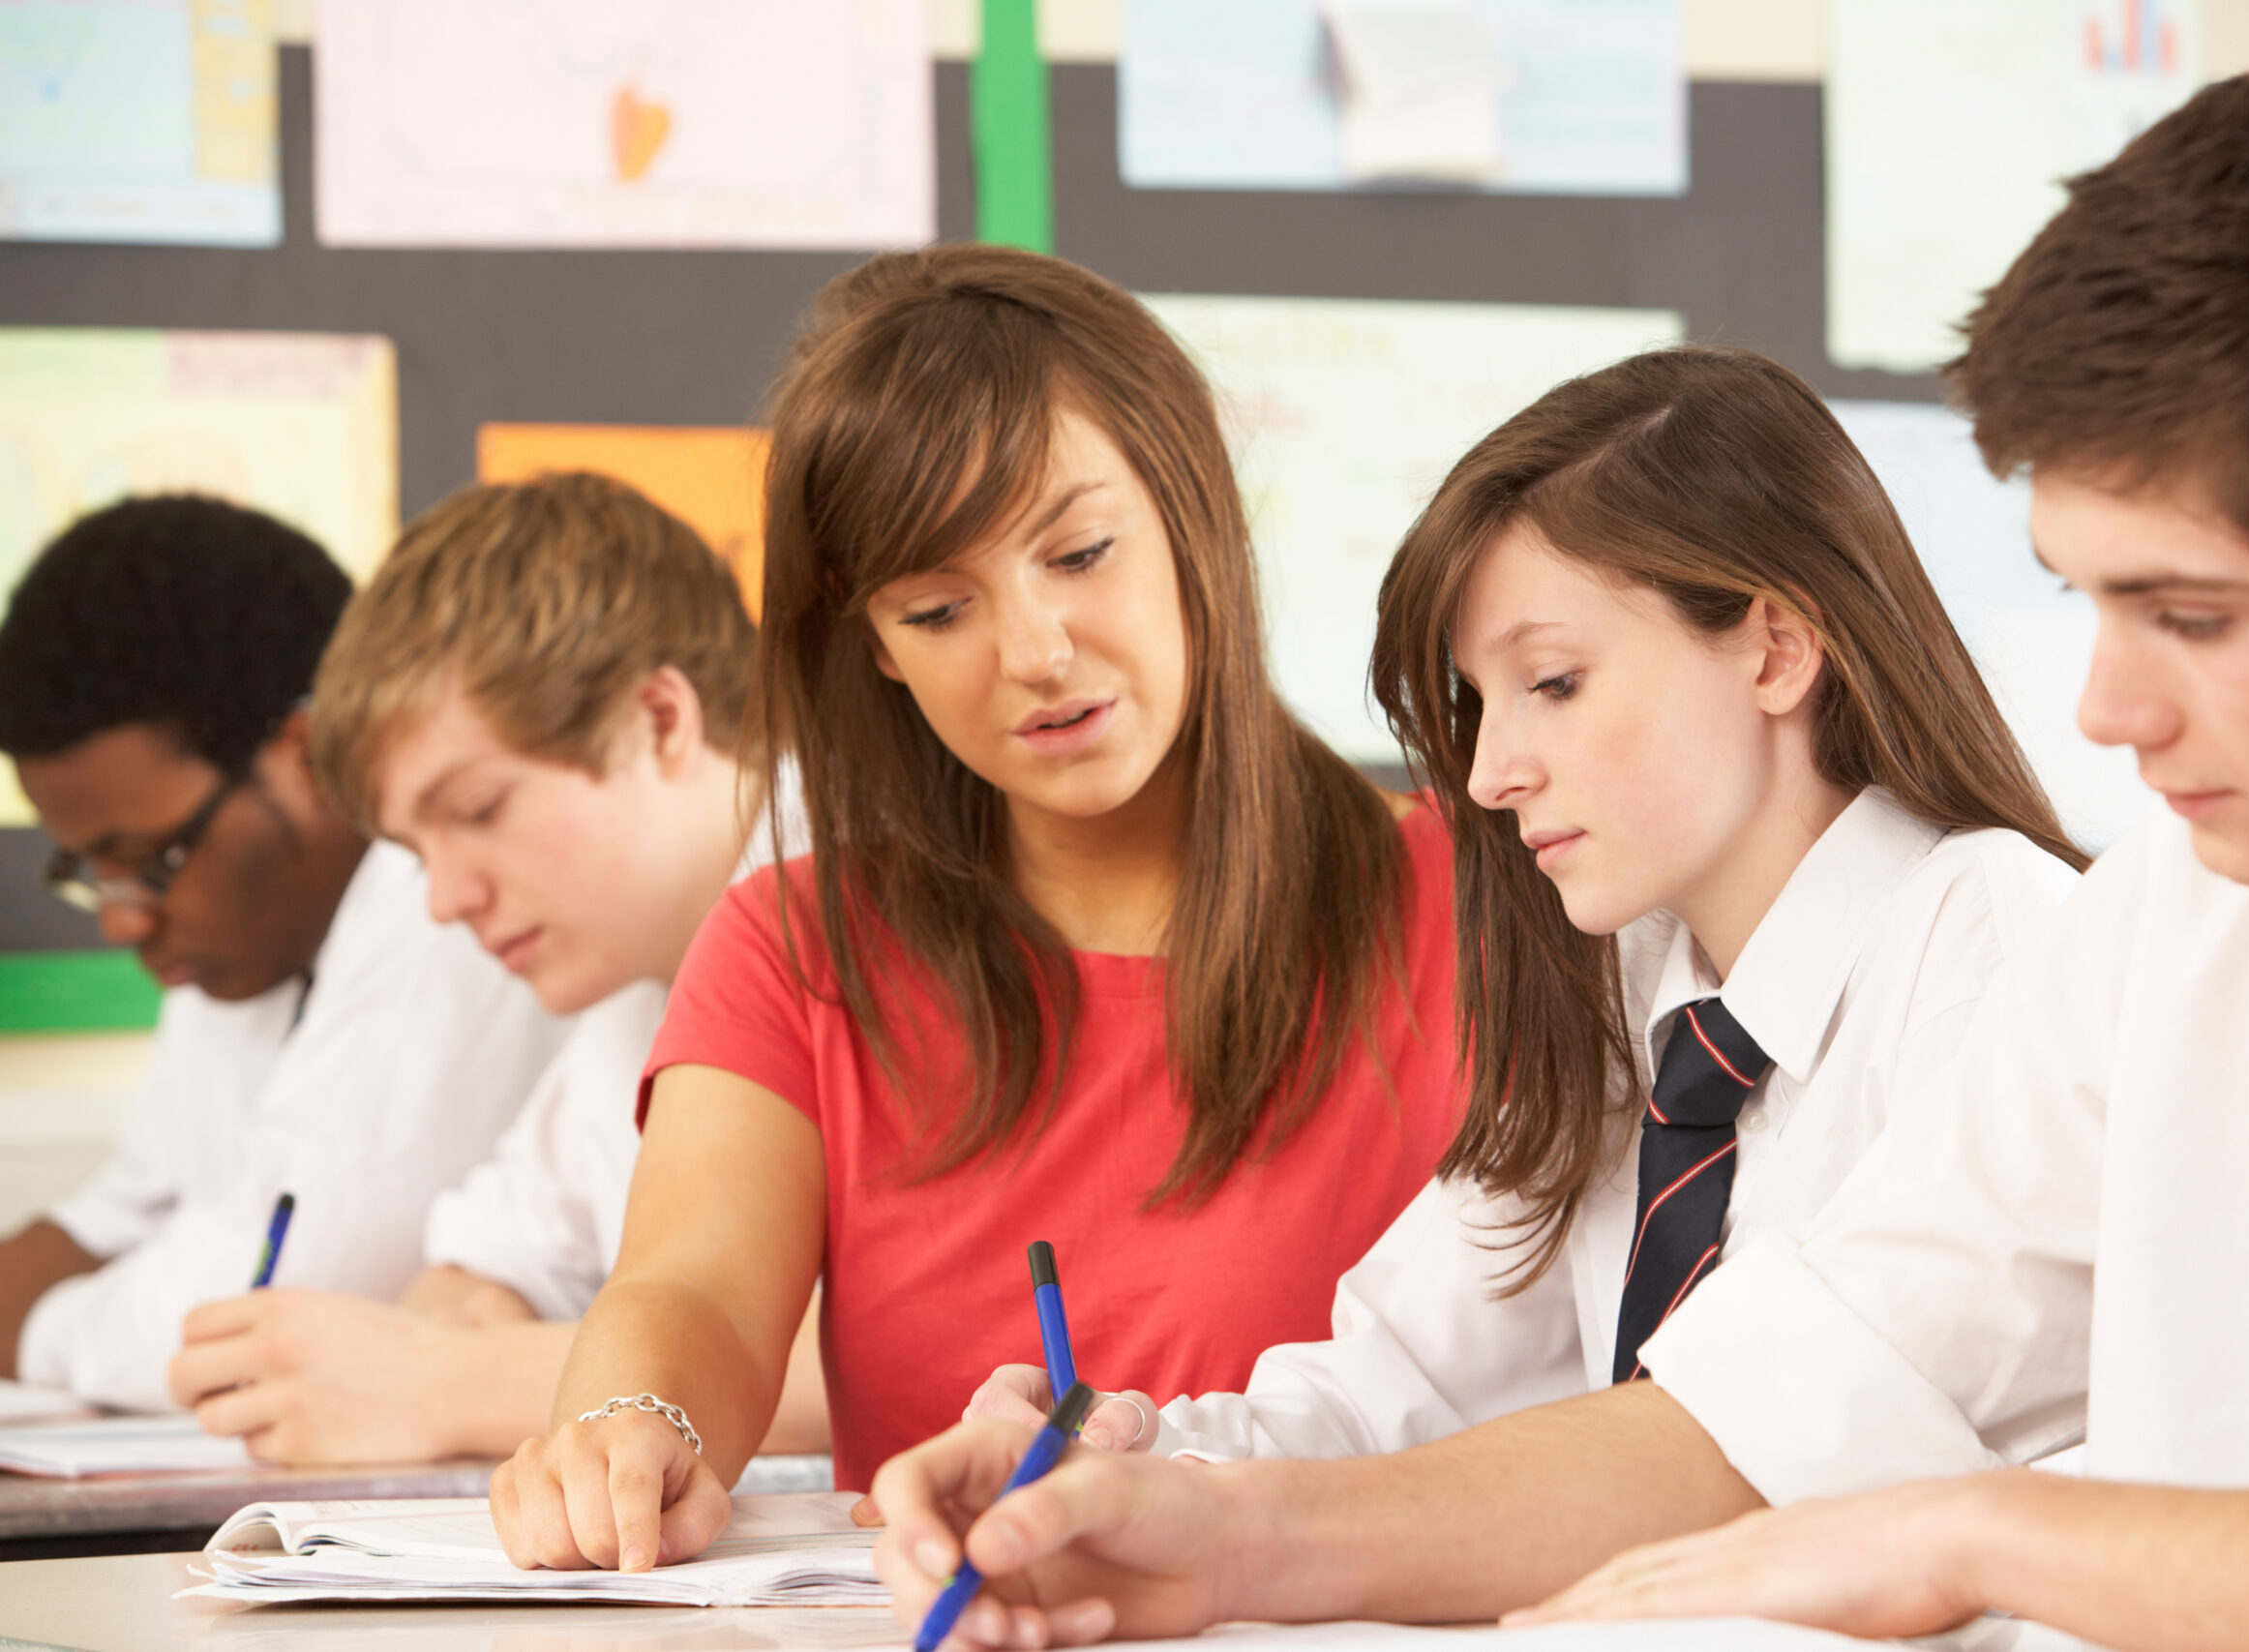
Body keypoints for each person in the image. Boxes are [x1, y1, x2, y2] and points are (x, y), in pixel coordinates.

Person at [867, 57, 2249, 1652]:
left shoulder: (2001, 928)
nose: (2110, 705)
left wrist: (1980, 1529)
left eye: (2195, 616)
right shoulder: (2169, 932)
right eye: (2090, 600)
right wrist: (1202, 1529)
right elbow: (1765, 1404)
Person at [487, 244, 1470, 1571]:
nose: (1035, 650)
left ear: (1193, 514)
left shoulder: (1481, 903)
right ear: (875, 646)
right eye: (939, 605)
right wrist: (628, 1419)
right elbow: (693, 1291)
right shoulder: (796, 948)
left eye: (1080, 551)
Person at [959, 345, 2085, 1469]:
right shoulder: (1635, 991)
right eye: (1479, 702)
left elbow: (1821, 1452)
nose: (1492, 774)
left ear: (1776, 652)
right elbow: (1380, 1400)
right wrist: (1115, 1459)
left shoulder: (1993, 941)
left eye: (1552, 684)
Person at [161, 474, 830, 1463]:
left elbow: (922, 1350)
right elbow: (483, 1269)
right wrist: (451, 1329)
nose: (445, 899)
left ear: (658, 719)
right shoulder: (636, 998)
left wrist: (447, 1385)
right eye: (417, 851)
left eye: (476, 811)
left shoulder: (898, 911)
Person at [0, 496, 566, 1410]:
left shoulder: (446, 905)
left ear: (305, 753)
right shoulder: (240, 943)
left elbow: (258, 1303)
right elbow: (129, 1210)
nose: (122, 921)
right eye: (94, 873)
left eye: (150, 861)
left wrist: (37, 1329)